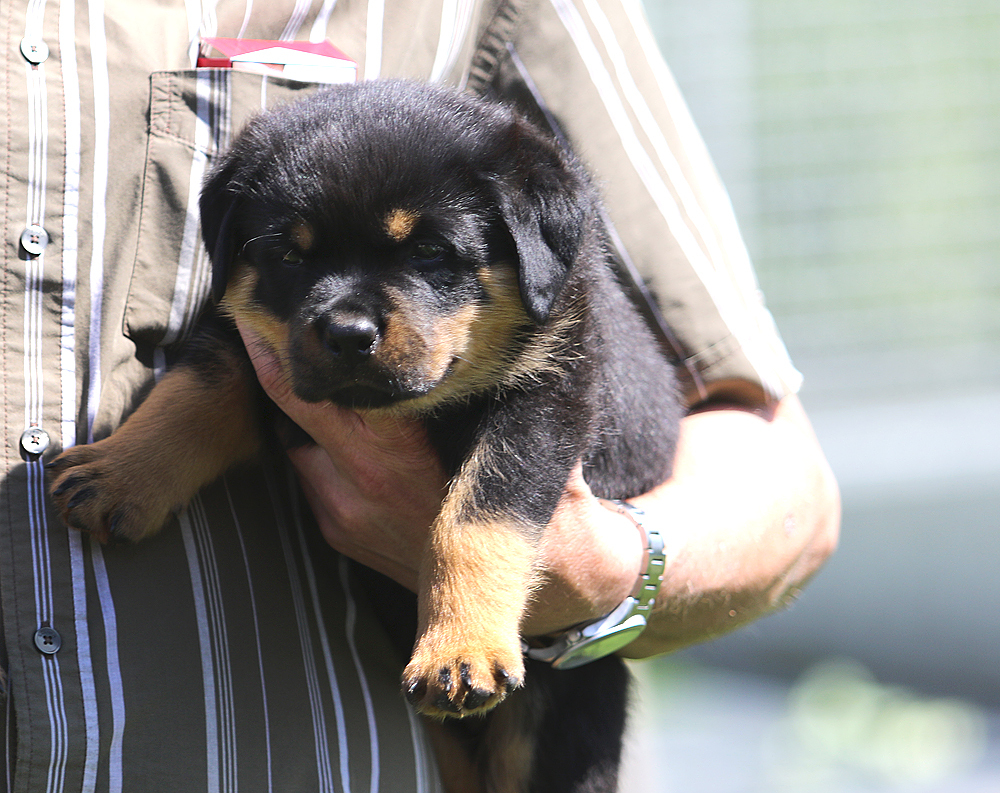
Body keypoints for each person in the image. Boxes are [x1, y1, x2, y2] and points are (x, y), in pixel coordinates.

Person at [0, 0, 839, 790]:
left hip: (535, 662)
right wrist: (146, 459)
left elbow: (766, 463)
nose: (350, 319)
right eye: (296, 256)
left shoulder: (535, 301)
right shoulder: (275, 271)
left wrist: (591, 575)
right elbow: (232, 363)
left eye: (431, 257)